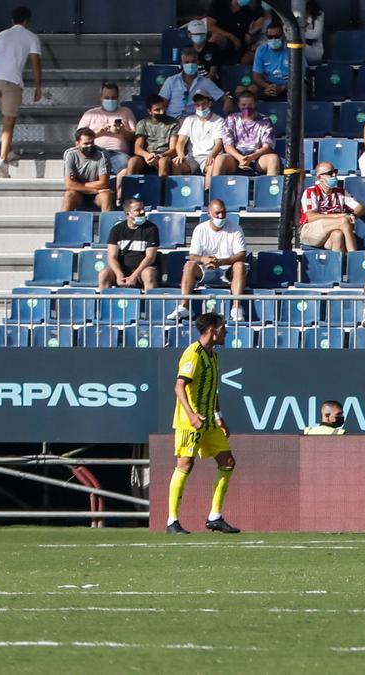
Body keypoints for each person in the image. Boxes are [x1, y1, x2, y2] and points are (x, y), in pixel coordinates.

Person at [167, 311, 240, 535]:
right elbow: (179, 386)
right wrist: (190, 415)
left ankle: (215, 516)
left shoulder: (214, 355)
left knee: (227, 461)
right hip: (191, 421)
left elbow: (211, 389)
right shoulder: (193, 354)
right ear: (212, 330)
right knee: (185, 464)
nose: (226, 331)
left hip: (209, 420)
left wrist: (218, 416)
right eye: (223, 327)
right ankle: (172, 521)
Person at [0, 6, 42, 178]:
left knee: (5, 116)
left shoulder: (0, 35)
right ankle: (2, 160)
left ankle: (9, 151)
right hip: (11, 81)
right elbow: (36, 63)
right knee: (9, 122)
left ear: (12, 20)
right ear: (28, 21)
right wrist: (38, 86)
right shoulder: (31, 37)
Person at [169, 200, 248, 323]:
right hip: (205, 269)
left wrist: (221, 262)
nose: (221, 216)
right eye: (217, 213)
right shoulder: (200, 229)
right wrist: (203, 259)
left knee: (240, 265)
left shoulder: (236, 229)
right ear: (209, 213)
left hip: (227, 269)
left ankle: (236, 307)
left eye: (223, 212)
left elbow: (241, 254)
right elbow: (193, 256)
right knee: (189, 265)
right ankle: (184, 306)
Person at [76, 83, 136, 195]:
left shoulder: (126, 112)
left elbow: (134, 136)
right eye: (107, 98)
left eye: (113, 98)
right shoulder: (90, 114)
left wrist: (122, 131)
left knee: (126, 168)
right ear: (101, 97)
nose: (110, 100)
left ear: (118, 98)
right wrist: (97, 132)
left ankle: (119, 199)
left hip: (118, 154)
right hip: (95, 152)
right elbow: (79, 137)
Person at [212, 91, 280, 180]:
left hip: (257, 157)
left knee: (273, 159)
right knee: (220, 159)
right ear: (239, 105)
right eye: (243, 105)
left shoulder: (265, 121)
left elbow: (267, 147)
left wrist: (251, 157)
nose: (247, 107)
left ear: (255, 104)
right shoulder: (231, 119)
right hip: (235, 158)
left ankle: (272, 191)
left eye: (250, 104)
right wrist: (240, 158)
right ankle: (215, 192)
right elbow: (228, 146)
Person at [299, 162, 365, 252]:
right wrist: (338, 216)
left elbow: (361, 208)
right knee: (344, 221)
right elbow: (311, 217)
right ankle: (353, 256)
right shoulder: (311, 191)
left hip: (331, 232)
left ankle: (337, 264)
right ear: (320, 177)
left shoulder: (341, 192)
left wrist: (353, 215)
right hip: (310, 231)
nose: (334, 175)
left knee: (337, 235)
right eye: (330, 173)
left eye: (335, 171)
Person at [99, 198, 159, 291]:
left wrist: (134, 276)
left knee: (148, 274)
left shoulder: (151, 229)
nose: (142, 212)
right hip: (123, 270)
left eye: (143, 209)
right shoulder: (116, 230)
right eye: (137, 210)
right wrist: (119, 275)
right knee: (104, 274)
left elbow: (150, 257)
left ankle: (150, 305)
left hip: (142, 270)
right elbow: (111, 257)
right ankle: (103, 304)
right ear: (128, 214)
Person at [175, 91, 226, 190]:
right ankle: (180, 193)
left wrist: (212, 155)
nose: (201, 108)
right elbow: (180, 142)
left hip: (209, 156)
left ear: (210, 103)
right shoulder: (189, 120)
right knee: (176, 164)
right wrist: (180, 154)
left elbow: (218, 143)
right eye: (197, 105)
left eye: (203, 104)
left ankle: (207, 193)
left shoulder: (219, 121)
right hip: (192, 157)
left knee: (212, 165)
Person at [160, 49, 228, 119]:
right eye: (186, 62)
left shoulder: (206, 82)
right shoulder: (171, 81)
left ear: (198, 62)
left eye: (193, 61)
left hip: (193, 121)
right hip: (171, 120)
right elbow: (162, 103)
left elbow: (223, 97)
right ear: (181, 63)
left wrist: (229, 99)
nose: (190, 64)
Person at [126, 95, 180, 182]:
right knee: (133, 161)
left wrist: (159, 156)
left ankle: (161, 192)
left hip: (164, 155)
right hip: (146, 156)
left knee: (163, 162)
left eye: (163, 108)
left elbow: (173, 149)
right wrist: (147, 155)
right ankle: (130, 192)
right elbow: (137, 148)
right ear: (149, 111)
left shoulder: (173, 123)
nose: (162, 112)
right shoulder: (142, 123)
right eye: (157, 110)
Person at [60, 128, 112, 212]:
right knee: (68, 195)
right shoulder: (70, 154)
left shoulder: (102, 154)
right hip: (79, 193)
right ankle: (63, 224)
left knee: (106, 196)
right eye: (86, 143)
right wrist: (92, 189)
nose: (89, 146)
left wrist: (78, 185)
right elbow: (69, 185)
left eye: (92, 143)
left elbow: (103, 183)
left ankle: (107, 224)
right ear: (77, 143)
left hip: (97, 194)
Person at [249, 19, 299, 100]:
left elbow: (300, 76)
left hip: (289, 85)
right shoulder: (261, 50)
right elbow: (256, 76)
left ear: (283, 35)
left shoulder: (292, 49)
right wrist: (268, 86)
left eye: (276, 36)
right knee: (252, 90)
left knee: (301, 87)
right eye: (270, 37)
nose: (273, 39)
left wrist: (282, 87)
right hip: (269, 84)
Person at [185, 19, 226, 84]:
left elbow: (212, 74)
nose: (199, 36)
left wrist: (199, 85)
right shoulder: (186, 50)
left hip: (209, 84)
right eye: (196, 34)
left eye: (201, 33)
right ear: (189, 34)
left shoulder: (214, 48)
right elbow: (185, 73)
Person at [301, 0, 326, 65]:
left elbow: (316, 34)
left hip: (314, 50)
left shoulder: (318, 14)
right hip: (300, 45)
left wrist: (301, 31)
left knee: (297, 48)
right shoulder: (295, 12)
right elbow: (288, 32)